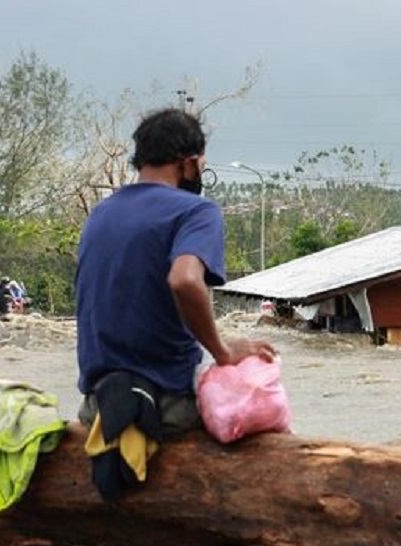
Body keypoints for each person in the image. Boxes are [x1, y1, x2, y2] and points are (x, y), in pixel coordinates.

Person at [75, 108, 275, 436]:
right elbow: (184, 280)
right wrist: (223, 352)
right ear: (190, 162)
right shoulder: (196, 211)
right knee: (260, 408)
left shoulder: (100, 214)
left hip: (98, 405)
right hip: (165, 404)